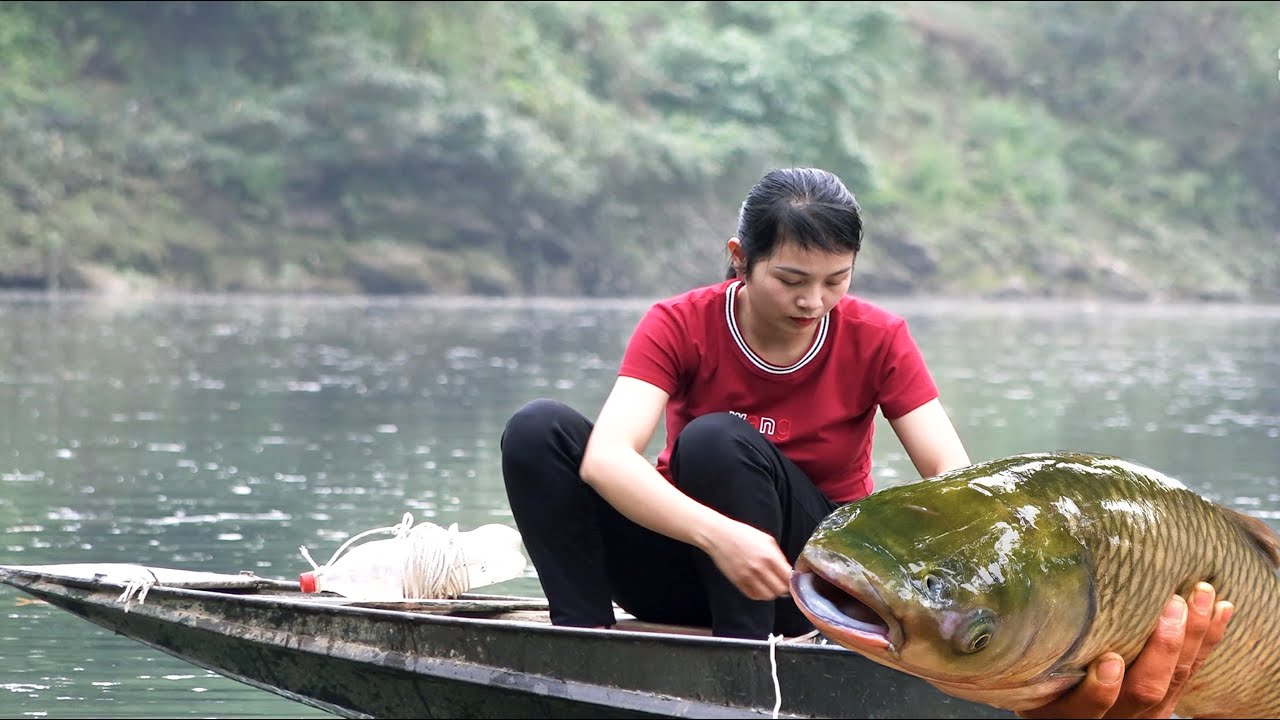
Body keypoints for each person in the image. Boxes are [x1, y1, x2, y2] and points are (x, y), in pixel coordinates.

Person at [500, 167, 1231, 717]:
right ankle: (584, 641)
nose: (812, 302)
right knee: (539, 430)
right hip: (693, 559)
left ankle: (745, 672)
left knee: (718, 442)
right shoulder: (680, 323)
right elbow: (605, 459)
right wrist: (719, 537)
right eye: (790, 279)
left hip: (811, 586)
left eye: (834, 281)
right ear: (738, 258)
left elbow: (957, 480)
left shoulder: (877, 337)